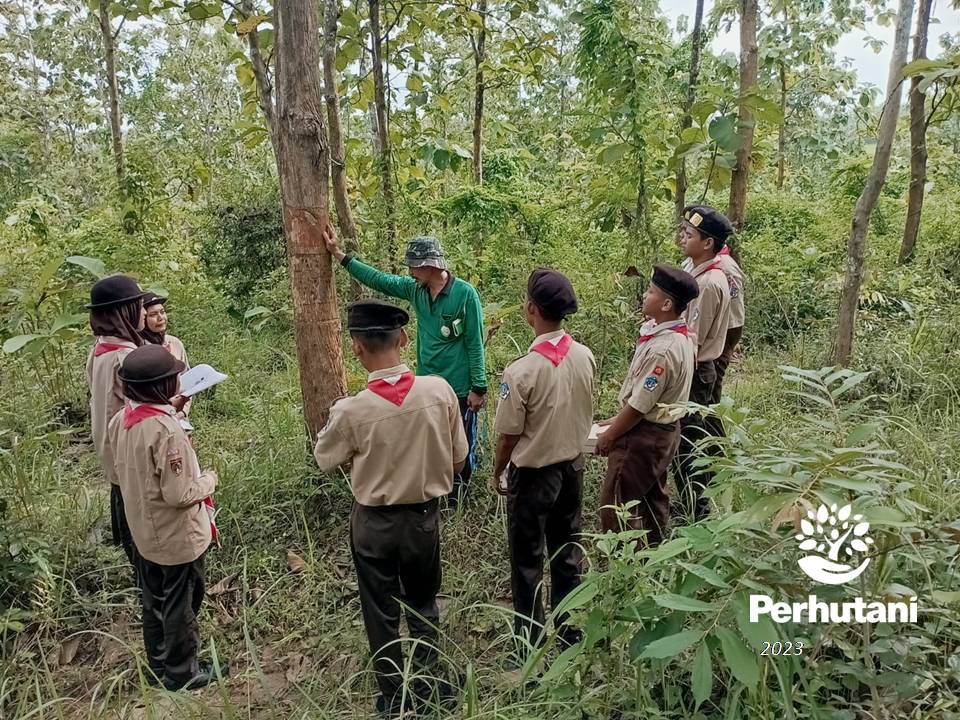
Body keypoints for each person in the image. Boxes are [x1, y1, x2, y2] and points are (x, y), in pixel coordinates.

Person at [313, 299, 468, 717]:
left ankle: (393, 695)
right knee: (422, 600)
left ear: (356, 347)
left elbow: (324, 459)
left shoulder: (351, 411)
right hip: (423, 519)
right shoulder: (439, 392)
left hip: (374, 524)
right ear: (403, 338)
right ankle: (431, 683)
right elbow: (459, 459)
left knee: (379, 609)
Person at [323, 225, 486, 507]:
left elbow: (475, 342)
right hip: (425, 386)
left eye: (414, 267)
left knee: (461, 445)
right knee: (431, 444)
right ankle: (436, 494)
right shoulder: (415, 291)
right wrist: (340, 255)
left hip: (458, 386)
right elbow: (379, 280)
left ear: (429, 265)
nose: (410, 272)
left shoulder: (464, 295)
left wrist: (479, 387)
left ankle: (459, 497)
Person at [108, 344, 226, 691]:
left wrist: (168, 412)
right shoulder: (166, 431)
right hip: (177, 536)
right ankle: (183, 672)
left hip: (144, 529)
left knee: (154, 598)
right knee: (182, 602)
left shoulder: (122, 420)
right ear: (162, 385)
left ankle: (158, 663)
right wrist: (210, 479)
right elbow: (180, 494)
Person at [492, 269, 595, 649]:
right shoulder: (585, 356)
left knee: (527, 561)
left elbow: (508, 435)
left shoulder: (521, 371)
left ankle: (529, 643)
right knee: (567, 553)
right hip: (572, 469)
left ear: (531, 309)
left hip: (534, 476)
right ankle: (569, 633)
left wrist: (498, 470)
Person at [595, 266, 698, 547]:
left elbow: (640, 405)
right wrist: (616, 419)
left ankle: (623, 562)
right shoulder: (677, 336)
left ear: (666, 304)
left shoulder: (663, 349)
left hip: (644, 436)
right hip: (663, 432)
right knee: (652, 497)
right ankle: (653, 554)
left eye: (651, 291)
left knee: (618, 503)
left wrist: (611, 434)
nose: (644, 294)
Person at [673, 205, 732, 521]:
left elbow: (692, 337)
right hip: (689, 366)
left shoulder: (709, 283)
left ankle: (697, 509)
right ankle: (688, 502)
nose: (683, 237)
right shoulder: (692, 267)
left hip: (695, 369)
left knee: (689, 442)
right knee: (683, 439)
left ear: (708, 243)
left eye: (690, 234)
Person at [85, 274, 147, 565]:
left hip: (110, 451)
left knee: (122, 503)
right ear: (125, 312)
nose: (145, 312)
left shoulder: (99, 350)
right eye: (139, 306)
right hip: (130, 455)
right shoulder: (126, 358)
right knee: (140, 529)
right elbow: (144, 411)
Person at [140, 291, 191, 415]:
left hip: (180, 415)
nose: (160, 317)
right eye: (153, 314)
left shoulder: (175, 343)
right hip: (153, 416)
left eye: (162, 312)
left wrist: (183, 412)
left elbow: (188, 380)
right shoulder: (139, 349)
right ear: (143, 318)